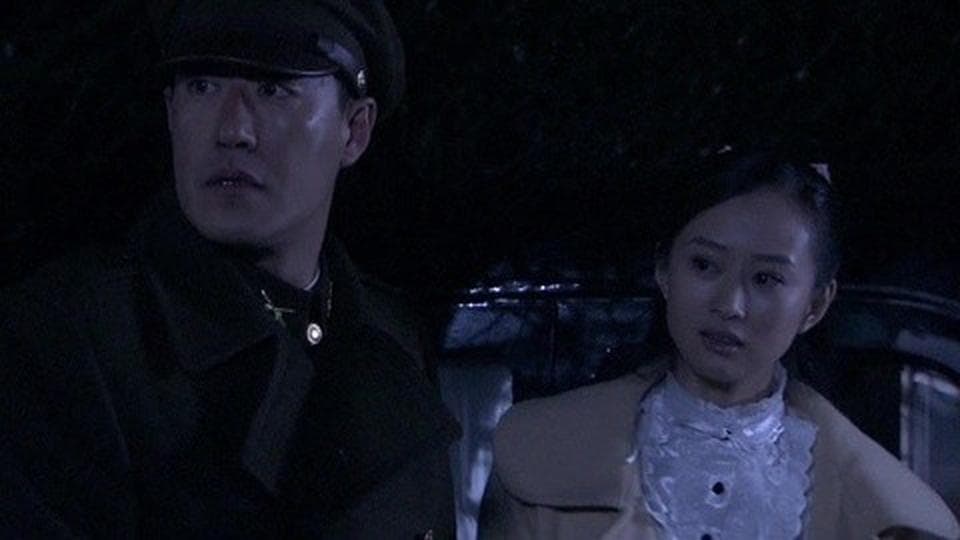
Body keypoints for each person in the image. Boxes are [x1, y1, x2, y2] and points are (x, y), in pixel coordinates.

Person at [0, 1, 459, 538]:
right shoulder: (70, 337)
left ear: (354, 130)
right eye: (203, 87)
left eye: (274, 89)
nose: (233, 130)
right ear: (171, 112)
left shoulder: (389, 338)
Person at [481, 149, 960, 539]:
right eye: (704, 265)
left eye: (766, 278)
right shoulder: (539, 458)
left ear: (815, 305)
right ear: (664, 270)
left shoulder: (888, 513)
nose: (731, 305)